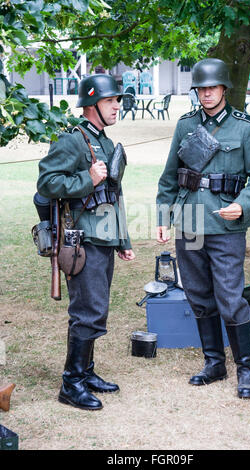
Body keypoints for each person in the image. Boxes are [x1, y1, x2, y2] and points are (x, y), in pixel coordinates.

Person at [156, 58, 250, 399]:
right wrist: (164, 219)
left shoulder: (246, 127)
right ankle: (214, 364)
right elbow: (169, 177)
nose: (206, 94)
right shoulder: (186, 125)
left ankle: (246, 370)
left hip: (225, 223)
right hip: (189, 223)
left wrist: (243, 204)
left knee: (230, 298)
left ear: (224, 88)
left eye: (212, 88)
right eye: (201, 89)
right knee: (198, 296)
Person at [37, 74, 135, 410]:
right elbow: (47, 183)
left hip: (104, 238)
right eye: (111, 101)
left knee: (97, 309)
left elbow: (113, 194)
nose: (117, 107)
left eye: (117, 101)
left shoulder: (105, 142)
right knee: (87, 312)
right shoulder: (73, 140)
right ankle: (71, 383)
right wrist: (86, 178)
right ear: (92, 104)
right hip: (81, 240)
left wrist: (123, 239)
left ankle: (87, 372)